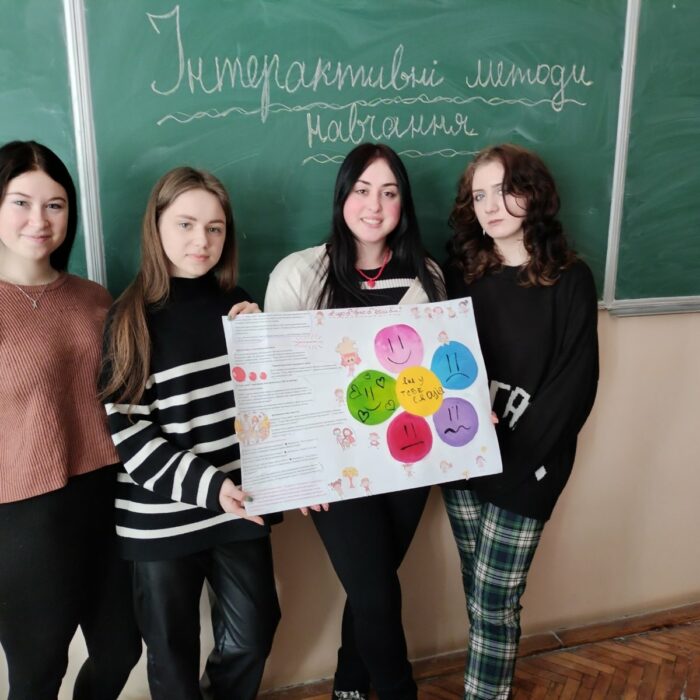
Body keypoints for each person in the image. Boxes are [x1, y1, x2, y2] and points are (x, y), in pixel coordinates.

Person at [265, 143, 445, 700]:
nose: (375, 205)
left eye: (389, 193)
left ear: (403, 204)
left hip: (409, 458)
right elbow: (278, 385)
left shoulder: (427, 276)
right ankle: (398, 690)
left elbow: (439, 372)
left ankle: (348, 681)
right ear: (342, 195)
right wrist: (297, 473)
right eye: (363, 190)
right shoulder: (300, 274)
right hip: (333, 468)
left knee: (374, 582)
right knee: (375, 591)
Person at [100, 166, 281, 700]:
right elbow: (129, 433)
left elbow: (266, 409)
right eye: (185, 224)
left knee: (254, 634)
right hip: (159, 518)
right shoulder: (129, 318)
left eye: (214, 228)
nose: (201, 240)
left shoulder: (238, 304)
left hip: (238, 507)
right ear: (155, 226)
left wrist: (264, 344)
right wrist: (209, 486)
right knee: (171, 654)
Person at [442, 143, 599, 699]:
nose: (491, 206)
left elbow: (574, 388)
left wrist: (509, 460)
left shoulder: (570, 279)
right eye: (479, 195)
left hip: (527, 465)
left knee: (495, 599)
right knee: (477, 587)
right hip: (462, 457)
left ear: (534, 193)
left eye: (505, 190)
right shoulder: (460, 273)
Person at [0, 140, 141, 699]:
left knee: (121, 649)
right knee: (38, 672)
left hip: (108, 495)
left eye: (55, 205)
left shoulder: (93, 297)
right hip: (24, 514)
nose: (39, 220)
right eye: (21, 202)